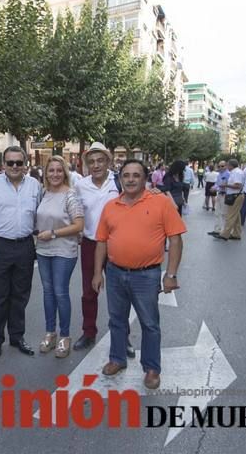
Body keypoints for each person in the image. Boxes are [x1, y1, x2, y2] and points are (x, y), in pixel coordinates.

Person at [93, 159, 186, 390]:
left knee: (150, 324)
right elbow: (101, 243)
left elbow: (175, 239)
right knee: (116, 320)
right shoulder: (110, 206)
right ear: (121, 179)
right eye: (126, 175)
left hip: (147, 275)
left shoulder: (161, 203)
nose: (131, 179)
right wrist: (97, 273)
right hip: (114, 273)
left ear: (145, 178)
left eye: (136, 175)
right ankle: (117, 359)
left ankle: (152, 368)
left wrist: (171, 275)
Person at [0, 145, 41, 359]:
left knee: (20, 295)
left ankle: (17, 337)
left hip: (25, 245)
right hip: (0, 245)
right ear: (3, 164)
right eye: (10, 162)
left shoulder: (34, 185)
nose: (15, 166)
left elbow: (39, 214)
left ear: (25, 164)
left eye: (19, 162)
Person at [73, 142, 121, 352]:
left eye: (100, 160)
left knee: (119, 294)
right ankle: (89, 332)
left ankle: (122, 337)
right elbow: (74, 212)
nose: (96, 165)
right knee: (89, 292)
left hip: (117, 244)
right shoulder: (80, 186)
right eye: (91, 161)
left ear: (108, 161)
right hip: (90, 245)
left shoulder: (119, 182)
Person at [35, 156, 83, 358]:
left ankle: (65, 336)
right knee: (47, 292)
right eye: (51, 170)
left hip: (64, 250)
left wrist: (53, 233)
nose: (55, 174)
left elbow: (79, 225)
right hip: (43, 250)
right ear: (46, 173)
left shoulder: (70, 195)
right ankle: (50, 333)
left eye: (58, 170)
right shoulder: (43, 193)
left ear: (65, 173)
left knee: (60, 292)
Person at [214, 159, 244, 241]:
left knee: (230, 216)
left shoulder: (237, 173)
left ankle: (225, 234)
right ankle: (236, 234)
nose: (227, 167)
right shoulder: (235, 172)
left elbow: (238, 185)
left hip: (235, 195)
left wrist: (226, 185)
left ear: (231, 165)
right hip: (235, 195)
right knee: (236, 216)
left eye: (227, 165)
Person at [207, 162, 230, 237]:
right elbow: (217, 184)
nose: (220, 167)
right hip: (220, 194)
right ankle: (217, 230)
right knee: (217, 212)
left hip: (225, 194)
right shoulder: (219, 174)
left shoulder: (228, 174)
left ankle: (223, 231)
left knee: (224, 213)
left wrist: (216, 188)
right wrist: (213, 187)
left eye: (222, 166)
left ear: (226, 166)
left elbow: (226, 185)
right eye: (219, 166)